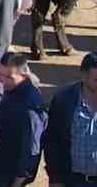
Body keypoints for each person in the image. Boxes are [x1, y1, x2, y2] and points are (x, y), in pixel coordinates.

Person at [0, 53, 47, 187]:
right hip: (3, 166)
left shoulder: (29, 105)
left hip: (12, 174)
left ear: (24, 75)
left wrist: (19, 180)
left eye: (9, 77)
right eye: (1, 74)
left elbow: (32, 146)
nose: (2, 80)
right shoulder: (13, 89)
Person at [44, 51, 97, 186]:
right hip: (72, 181)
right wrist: (55, 179)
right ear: (83, 76)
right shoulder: (64, 101)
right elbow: (52, 141)